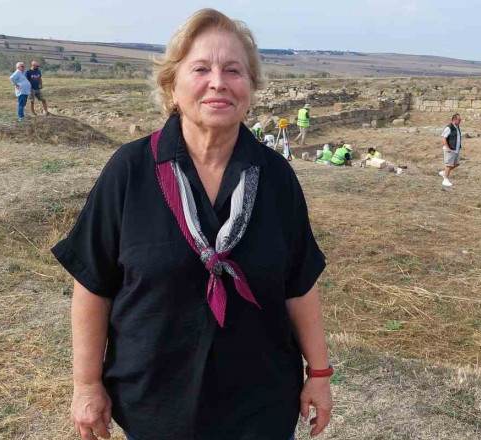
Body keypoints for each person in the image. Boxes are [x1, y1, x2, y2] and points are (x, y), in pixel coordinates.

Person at [52, 9, 333, 440]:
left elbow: (299, 284)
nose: (218, 82)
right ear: (173, 85)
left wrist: (319, 372)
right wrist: (86, 384)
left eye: (234, 70)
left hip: (260, 407)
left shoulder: (276, 177)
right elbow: (93, 285)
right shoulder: (130, 170)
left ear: (250, 88)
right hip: (154, 406)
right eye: (201, 68)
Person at [439, 113, 462, 187]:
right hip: (450, 149)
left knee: (457, 163)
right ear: (454, 119)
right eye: (459, 120)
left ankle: (444, 172)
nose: (460, 121)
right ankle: (445, 180)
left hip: (456, 149)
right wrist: (447, 147)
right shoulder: (449, 127)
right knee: (448, 165)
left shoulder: (457, 127)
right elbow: (443, 137)